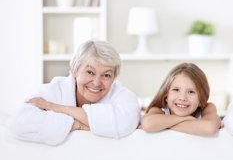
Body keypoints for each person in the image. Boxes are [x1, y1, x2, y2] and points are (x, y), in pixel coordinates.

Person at [8, 40, 140, 145]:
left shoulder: (122, 95)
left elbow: (125, 123)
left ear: (114, 77)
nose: (96, 83)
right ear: (75, 70)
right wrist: (75, 125)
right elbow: (19, 123)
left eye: (106, 75)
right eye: (90, 72)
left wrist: (57, 108)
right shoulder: (56, 89)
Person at [140, 62, 221, 136]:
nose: (182, 98)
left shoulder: (207, 108)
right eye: (176, 90)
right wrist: (186, 119)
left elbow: (209, 128)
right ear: (166, 95)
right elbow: (147, 124)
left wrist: (164, 125)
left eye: (191, 92)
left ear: (201, 99)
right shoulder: (158, 111)